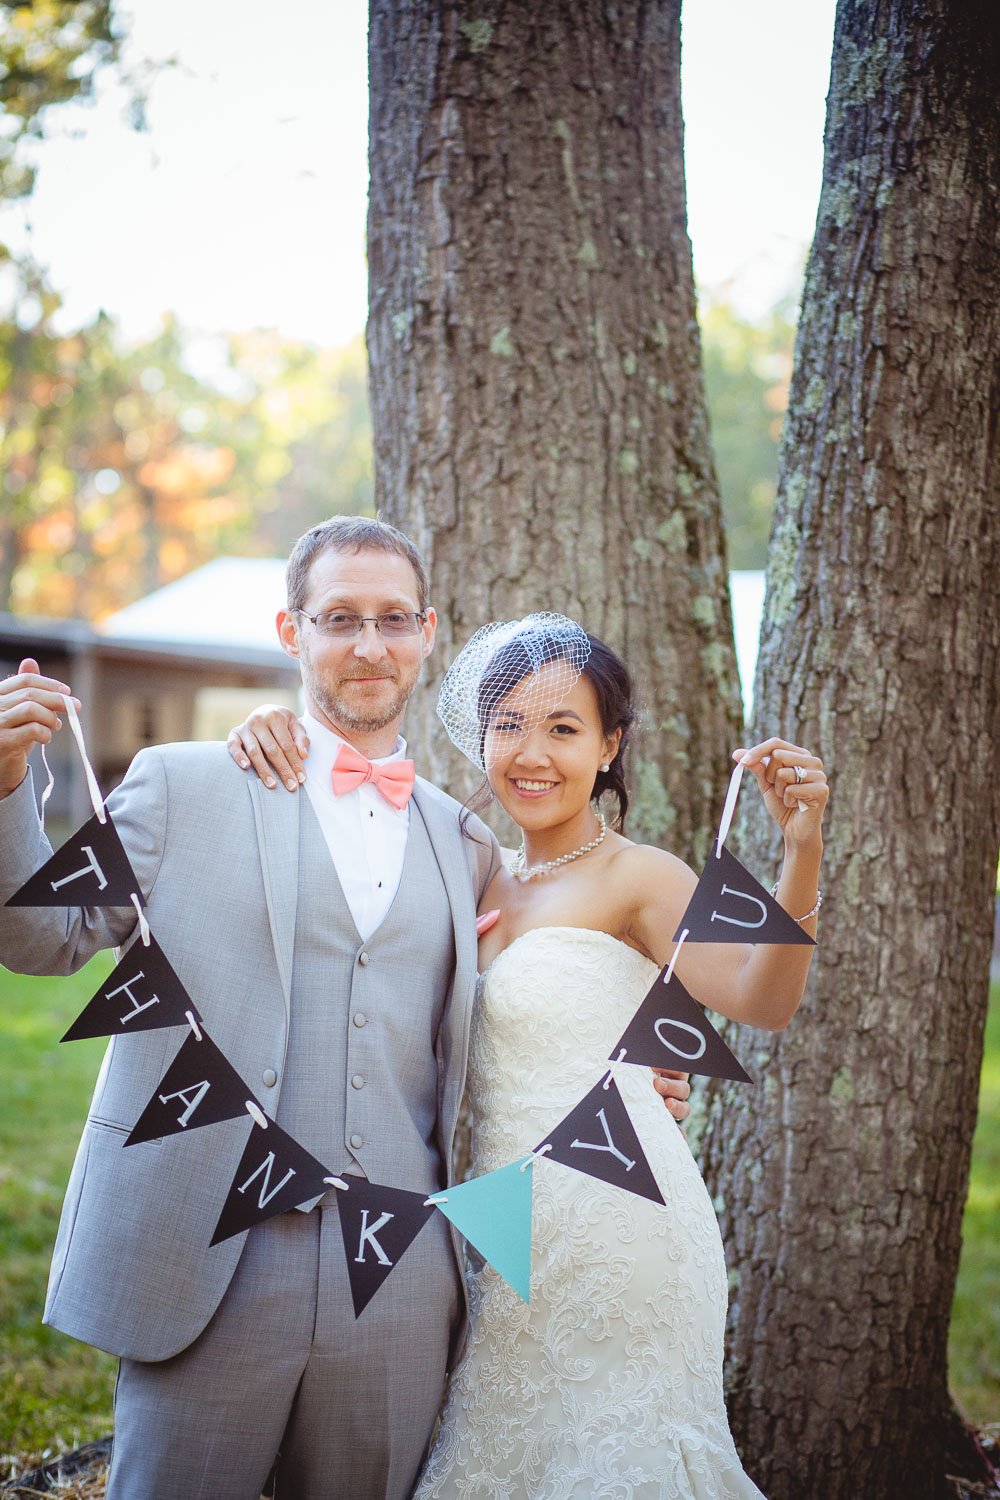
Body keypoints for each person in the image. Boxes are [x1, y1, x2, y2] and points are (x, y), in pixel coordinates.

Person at [0, 519, 690, 1500]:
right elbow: (39, 940)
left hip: (401, 1273)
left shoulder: (463, 842)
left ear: (426, 634)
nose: (369, 644)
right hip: (207, 1255)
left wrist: (628, 1078)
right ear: (292, 631)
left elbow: (524, 992)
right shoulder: (185, 784)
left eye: (392, 619)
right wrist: (6, 786)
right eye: (339, 619)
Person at [236, 612, 828, 1499]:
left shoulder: (641, 876)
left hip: (620, 1224)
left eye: (562, 728)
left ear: (608, 745)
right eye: (509, 724)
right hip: (494, 1237)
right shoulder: (465, 870)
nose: (532, 754)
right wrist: (272, 728)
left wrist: (802, 849)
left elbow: (762, 999)